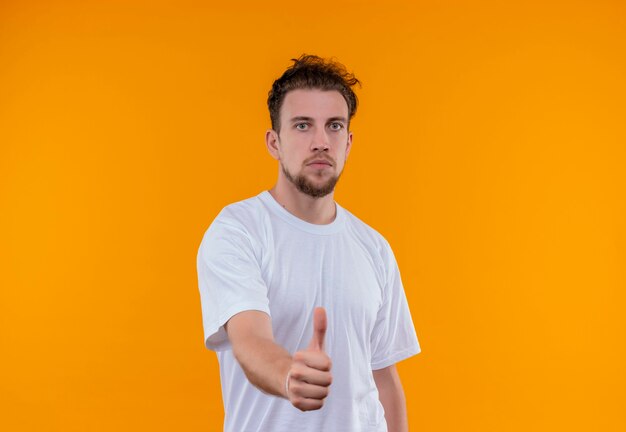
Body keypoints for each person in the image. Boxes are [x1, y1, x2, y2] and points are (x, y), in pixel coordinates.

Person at [197, 54, 421, 432]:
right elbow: (250, 339)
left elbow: (383, 378)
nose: (321, 142)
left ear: (348, 142)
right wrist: (289, 375)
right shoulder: (237, 230)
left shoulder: (375, 248)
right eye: (302, 125)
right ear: (274, 142)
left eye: (333, 126)